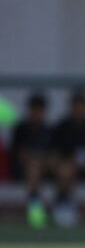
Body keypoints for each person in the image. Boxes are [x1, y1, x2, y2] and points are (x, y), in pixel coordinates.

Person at [49, 89, 85, 227]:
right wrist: (68, 162)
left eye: (82, 106)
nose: (79, 110)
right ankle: (64, 204)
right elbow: (54, 155)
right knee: (66, 170)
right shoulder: (62, 127)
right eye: (76, 106)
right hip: (67, 168)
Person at [10, 92, 51, 228]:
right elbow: (17, 154)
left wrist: (44, 162)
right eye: (34, 110)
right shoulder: (21, 129)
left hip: (45, 168)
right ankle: (35, 208)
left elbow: (53, 154)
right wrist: (33, 160)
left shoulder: (47, 130)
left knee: (63, 168)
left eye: (40, 110)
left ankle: (62, 205)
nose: (37, 113)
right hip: (22, 169)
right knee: (33, 168)